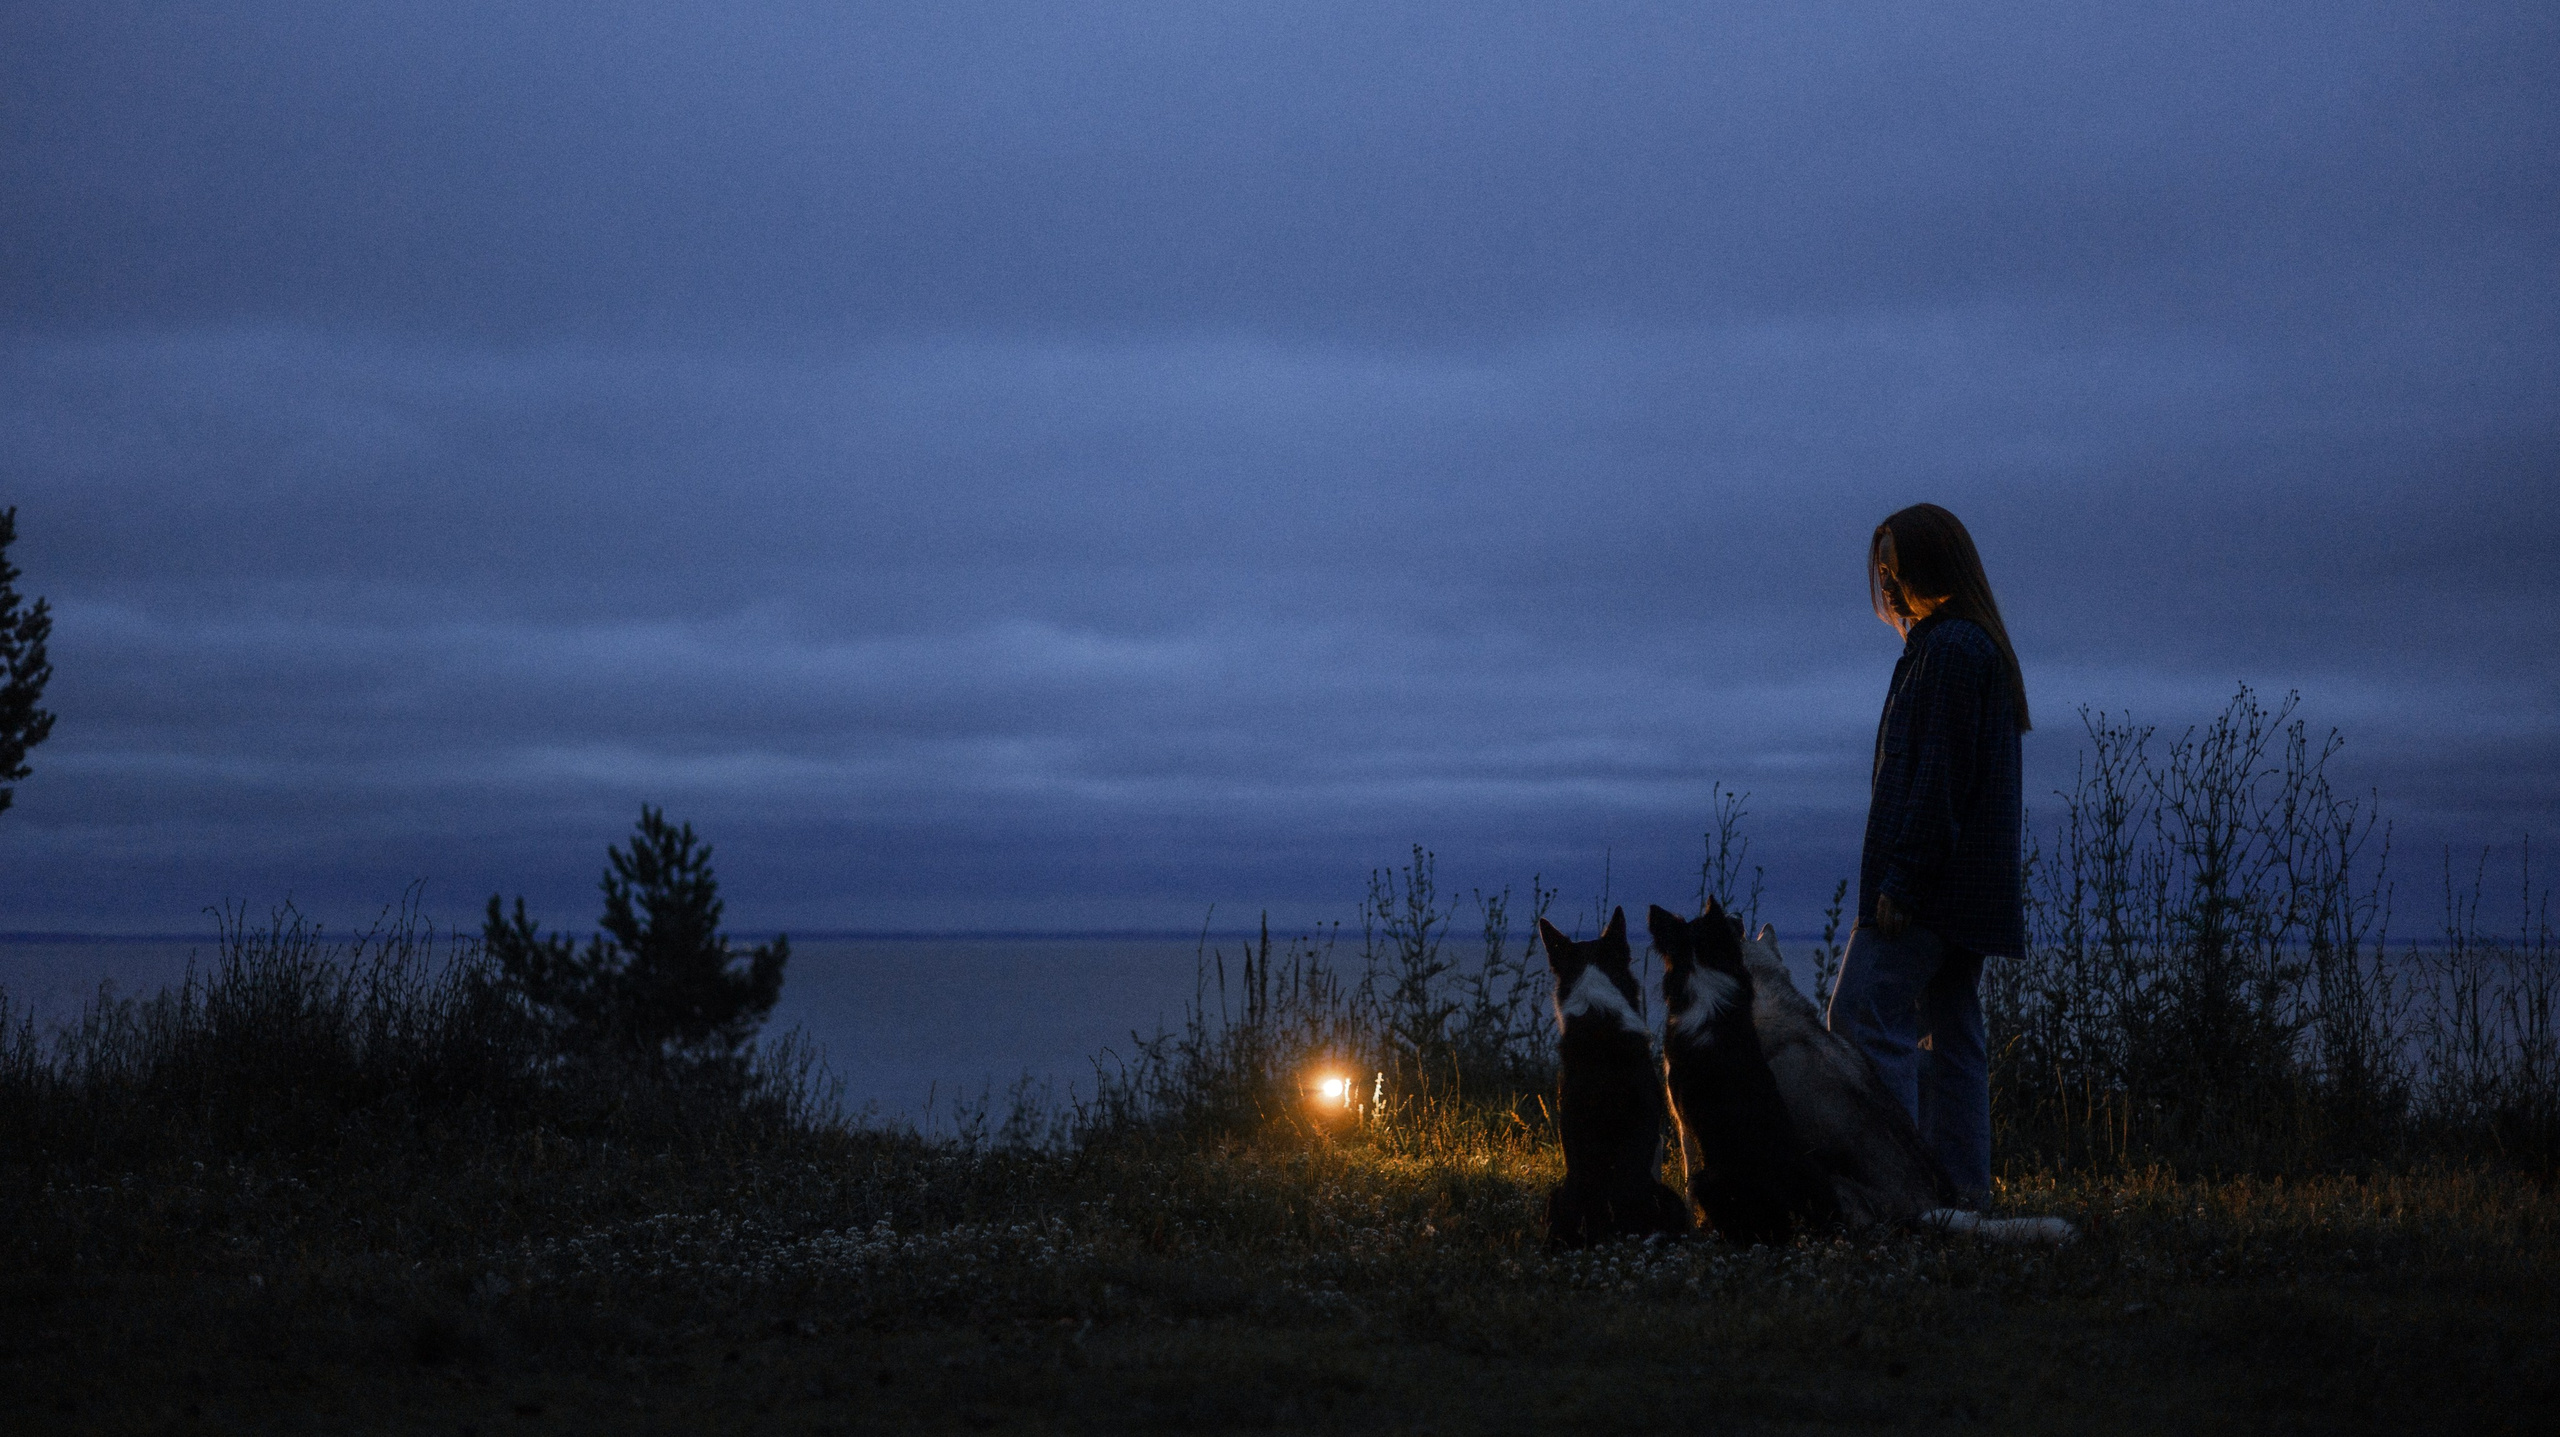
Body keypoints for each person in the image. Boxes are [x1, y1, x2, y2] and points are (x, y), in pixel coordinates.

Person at [1826, 503, 2028, 1210]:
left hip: (1931, 886)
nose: (1886, 579)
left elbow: (1937, 777)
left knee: (1862, 1012)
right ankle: (1962, 1193)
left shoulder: (1946, 652)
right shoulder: (1975, 647)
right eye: (1881, 565)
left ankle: (1898, 1188)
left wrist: (1903, 878)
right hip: (1969, 891)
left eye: (1894, 563)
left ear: (1928, 563)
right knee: (1952, 1032)